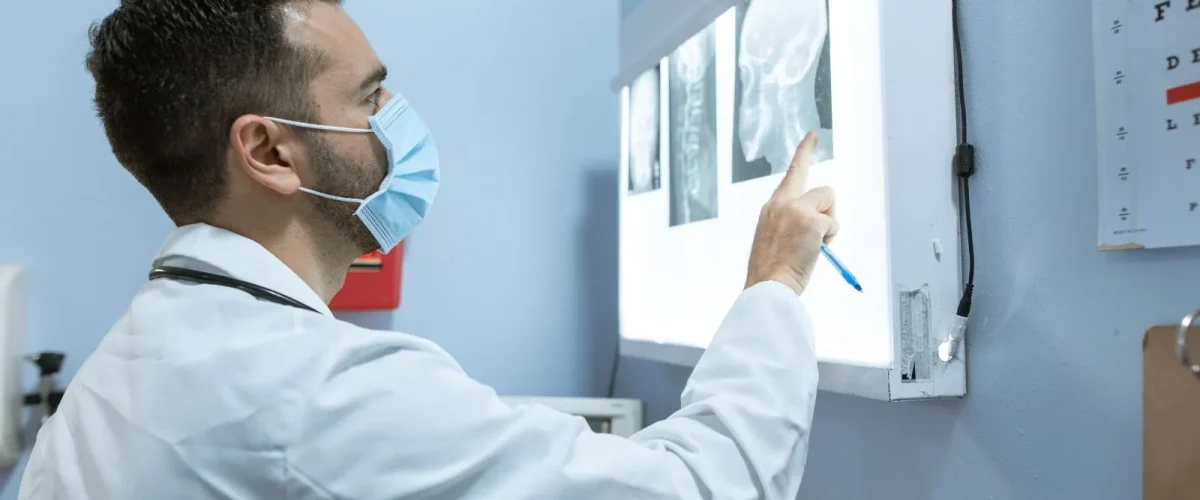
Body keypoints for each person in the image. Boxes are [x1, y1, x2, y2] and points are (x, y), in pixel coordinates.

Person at [18, 1, 839, 499]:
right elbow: (703, 489)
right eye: (370, 95)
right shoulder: (312, 394)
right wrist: (773, 283)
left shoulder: (104, 392)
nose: (397, 119)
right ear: (270, 152)